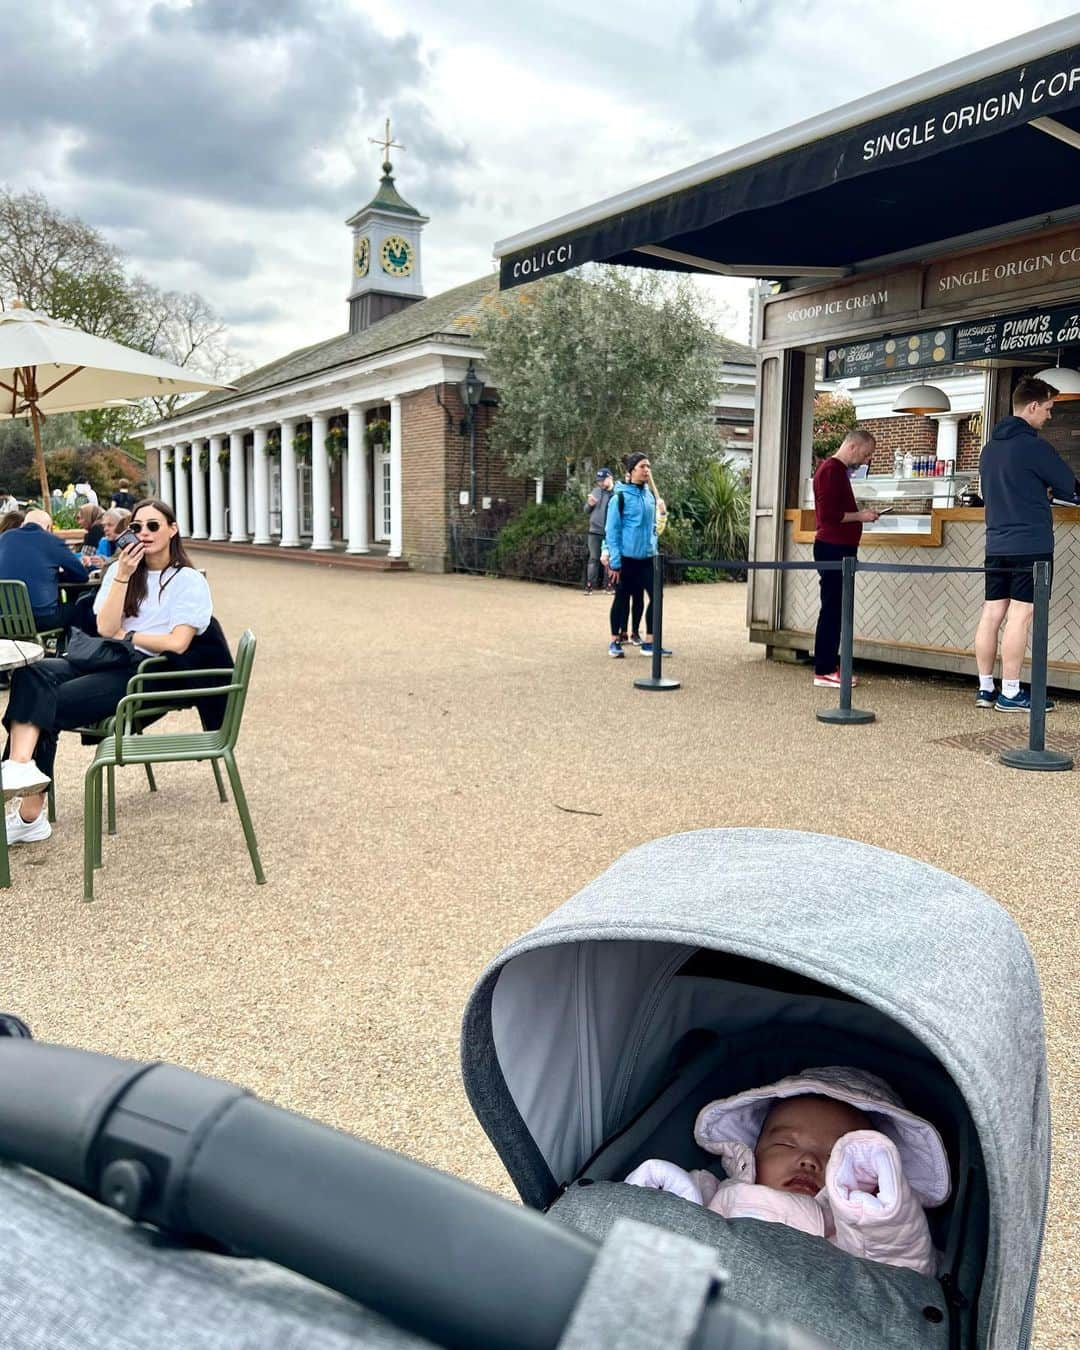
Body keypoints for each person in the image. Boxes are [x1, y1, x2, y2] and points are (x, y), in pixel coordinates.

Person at [0, 499, 212, 844]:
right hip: (103, 655)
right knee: (31, 673)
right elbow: (104, 626)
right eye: (137, 528)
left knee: (45, 704)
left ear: (172, 530)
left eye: (153, 526)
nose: (144, 533)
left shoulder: (187, 580)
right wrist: (124, 576)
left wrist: (128, 635)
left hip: (141, 670)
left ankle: (29, 816)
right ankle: (20, 766)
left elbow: (177, 643)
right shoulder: (120, 571)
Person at [625, 1066, 944, 1275]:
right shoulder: (713, 1191)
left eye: (835, 1156)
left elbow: (904, 1274)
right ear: (754, 1152)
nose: (808, 1160)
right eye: (786, 1145)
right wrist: (664, 1202)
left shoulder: (856, 1233)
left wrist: (884, 1215)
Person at [973, 376, 1080, 712]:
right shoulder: (1035, 447)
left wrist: (1038, 490)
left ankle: (986, 688)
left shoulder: (989, 449)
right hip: (1030, 544)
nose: (1049, 416)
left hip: (996, 544)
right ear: (1033, 406)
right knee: (1022, 614)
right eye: (1048, 409)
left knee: (992, 612)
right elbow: (1069, 487)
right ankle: (1011, 692)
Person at [811, 428, 878, 688]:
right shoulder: (831, 470)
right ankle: (824, 669)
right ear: (852, 447)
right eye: (865, 453)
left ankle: (829, 665)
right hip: (833, 547)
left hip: (839, 547)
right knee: (832, 609)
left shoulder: (836, 471)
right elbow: (829, 515)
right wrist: (861, 516)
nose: (866, 460)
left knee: (836, 609)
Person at [604, 452, 670, 659]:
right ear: (631, 471)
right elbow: (612, 531)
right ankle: (615, 640)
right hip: (626, 559)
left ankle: (649, 643)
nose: (647, 470)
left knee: (656, 598)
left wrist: (663, 514)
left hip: (647, 559)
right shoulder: (619, 498)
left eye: (648, 466)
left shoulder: (650, 496)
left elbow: (654, 529)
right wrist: (614, 562)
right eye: (642, 466)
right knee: (621, 599)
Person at [0, 507, 88, 635]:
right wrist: (57, 575)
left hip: (4, 619)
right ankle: (68, 649)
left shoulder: (4, 538)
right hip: (41, 619)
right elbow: (81, 575)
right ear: (48, 528)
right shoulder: (52, 541)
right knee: (78, 606)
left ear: (23, 524)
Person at [583, 469, 614, 595]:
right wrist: (590, 505)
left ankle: (609, 586)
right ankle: (590, 585)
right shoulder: (595, 491)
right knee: (594, 558)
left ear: (610, 478)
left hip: (610, 532)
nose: (600, 483)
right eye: (598, 481)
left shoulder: (617, 493)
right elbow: (586, 510)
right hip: (594, 531)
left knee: (610, 559)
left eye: (603, 480)